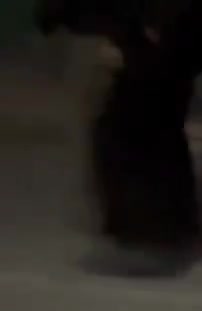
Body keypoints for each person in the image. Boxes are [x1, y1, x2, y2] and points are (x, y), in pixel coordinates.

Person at [84, 0, 202, 276]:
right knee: (159, 135)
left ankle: (142, 236)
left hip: (162, 47)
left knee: (128, 134)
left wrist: (146, 30)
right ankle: (169, 230)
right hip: (176, 44)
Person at [35, 0, 124, 231]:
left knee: (89, 127)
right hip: (107, 35)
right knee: (93, 126)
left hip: (94, 35)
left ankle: (94, 210)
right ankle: (97, 210)